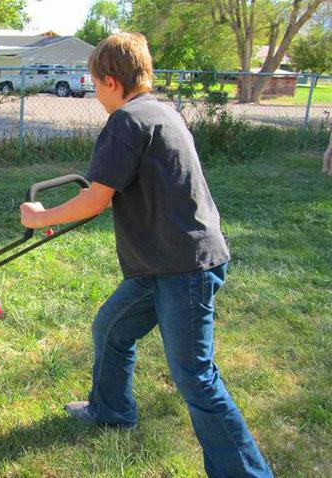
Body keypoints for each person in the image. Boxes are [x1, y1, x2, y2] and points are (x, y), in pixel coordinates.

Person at [19, 33, 273, 477]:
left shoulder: (126, 121)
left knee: (195, 377)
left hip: (184, 267)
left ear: (112, 82)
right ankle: (111, 410)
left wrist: (40, 218)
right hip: (163, 261)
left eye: (95, 84)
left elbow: (96, 199)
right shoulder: (160, 112)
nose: (95, 93)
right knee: (112, 328)